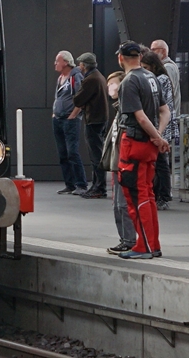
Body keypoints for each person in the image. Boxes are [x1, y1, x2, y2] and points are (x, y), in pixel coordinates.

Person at [115, 41, 170, 259]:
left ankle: (144, 245)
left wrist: (156, 137)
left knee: (136, 195)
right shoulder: (151, 77)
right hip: (148, 145)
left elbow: (140, 117)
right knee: (147, 192)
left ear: (121, 58)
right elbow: (164, 111)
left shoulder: (129, 81)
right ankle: (152, 243)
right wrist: (158, 136)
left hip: (135, 144)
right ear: (139, 56)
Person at [101, 70, 136, 254]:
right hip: (117, 163)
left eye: (113, 84)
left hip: (124, 162)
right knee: (117, 204)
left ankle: (129, 240)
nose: (110, 88)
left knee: (123, 204)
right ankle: (125, 239)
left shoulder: (126, 110)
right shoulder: (118, 109)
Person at [141, 50, 178, 210]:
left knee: (162, 162)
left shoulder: (159, 79)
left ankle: (163, 195)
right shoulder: (159, 78)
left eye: (146, 67)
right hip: (160, 124)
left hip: (162, 125)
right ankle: (159, 194)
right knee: (159, 161)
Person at [71, 53, 108, 197]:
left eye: (80, 64)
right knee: (97, 154)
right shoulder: (99, 76)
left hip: (94, 120)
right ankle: (98, 186)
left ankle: (99, 187)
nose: (79, 66)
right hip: (101, 119)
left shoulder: (90, 80)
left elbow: (78, 100)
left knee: (95, 156)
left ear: (84, 65)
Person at [51, 50, 88, 195]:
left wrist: (73, 115)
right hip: (58, 119)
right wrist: (54, 113)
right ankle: (70, 184)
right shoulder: (60, 77)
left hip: (70, 120)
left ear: (65, 62)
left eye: (57, 61)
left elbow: (81, 98)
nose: (55, 63)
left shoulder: (75, 76)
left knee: (72, 152)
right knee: (63, 153)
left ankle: (81, 184)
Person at [150, 40, 182, 115]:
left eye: (153, 50)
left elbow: (168, 92)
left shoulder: (167, 67)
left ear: (163, 51)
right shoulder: (168, 65)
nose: (151, 53)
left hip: (169, 115)